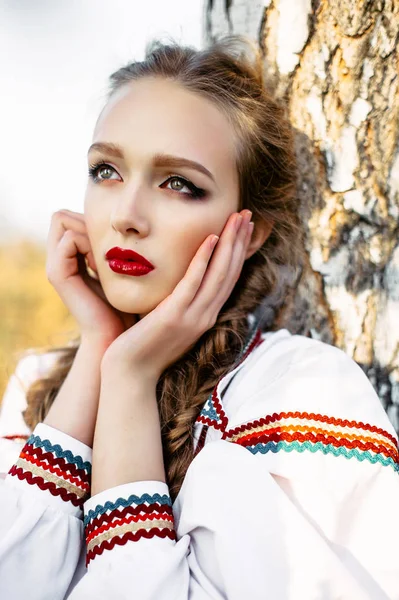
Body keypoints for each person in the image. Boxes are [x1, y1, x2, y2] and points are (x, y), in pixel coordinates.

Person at [0, 34, 398, 600]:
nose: (127, 216)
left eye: (178, 184)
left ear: (249, 229)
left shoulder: (297, 393)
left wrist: (132, 377)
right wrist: (100, 349)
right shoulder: (35, 386)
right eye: (106, 171)